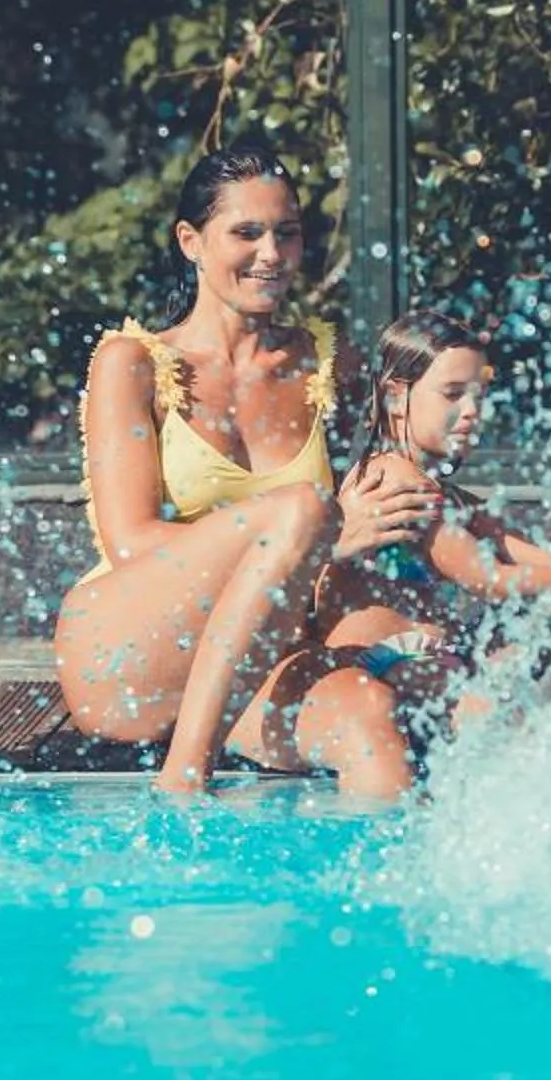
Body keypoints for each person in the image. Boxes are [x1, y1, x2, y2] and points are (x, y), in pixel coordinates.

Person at [52, 141, 440, 797]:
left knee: (370, 719)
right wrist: (319, 541)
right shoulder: (132, 362)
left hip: (256, 659)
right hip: (132, 653)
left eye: (286, 234)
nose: (272, 254)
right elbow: (131, 545)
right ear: (192, 242)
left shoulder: (330, 364)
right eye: (247, 233)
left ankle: (379, 866)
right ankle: (184, 779)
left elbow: (375, 513)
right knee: (303, 511)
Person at [299, 308, 551, 735]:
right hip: (380, 663)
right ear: (394, 396)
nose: (471, 411)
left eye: (478, 397)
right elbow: (491, 580)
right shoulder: (392, 479)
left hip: (427, 656)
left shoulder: (447, 495)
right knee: (518, 708)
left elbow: (536, 559)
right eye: (452, 394)